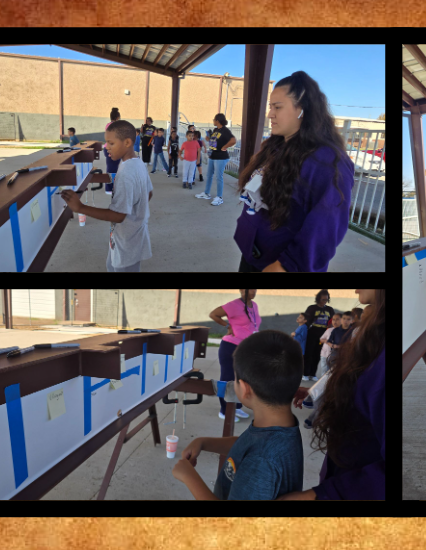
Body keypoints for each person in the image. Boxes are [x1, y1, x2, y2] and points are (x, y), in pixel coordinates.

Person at [233, 71, 354, 272]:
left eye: (277, 107)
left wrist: (287, 266)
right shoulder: (276, 146)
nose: (270, 114)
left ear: (302, 109)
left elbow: (325, 228)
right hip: (253, 255)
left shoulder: (328, 162)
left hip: (277, 266)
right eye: (270, 107)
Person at [278, 288, 384, 500]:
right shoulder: (371, 332)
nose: (356, 289)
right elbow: (356, 381)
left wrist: (321, 495)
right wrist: (318, 391)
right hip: (343, 469)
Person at [174, 330, 304, 500]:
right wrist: (203, 442)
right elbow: (245, 446)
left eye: (234, 380)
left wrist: (189, 477)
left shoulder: (261, 461)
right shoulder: (278, 426)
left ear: (244, 389)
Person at [61, 120, 152, 272]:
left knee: (120, 269)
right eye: (106, 142)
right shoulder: (137, 163)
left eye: (111, 143)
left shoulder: (126, 173)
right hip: (129, 235)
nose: (106, 147)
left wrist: (80, 207)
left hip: (127, 241)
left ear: (127, 142)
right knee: (111, 265)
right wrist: (135, 211)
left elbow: (118, 216)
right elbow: (148, 193)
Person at [209, 289, 260, 422]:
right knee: (227, 380)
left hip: (246, 348)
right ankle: (224, 410)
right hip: (231, 347)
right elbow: (213, 314)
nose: (254, 291)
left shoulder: (254, 305)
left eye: (255, 289)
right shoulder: (234, 305)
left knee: (241, 380)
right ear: (242, 290)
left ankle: (236, 407)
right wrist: (228, 325)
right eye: (251, 289)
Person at [196, 113, 238, 205]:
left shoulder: (225, 130)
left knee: (219, 177)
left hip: (221, 157)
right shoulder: (215, 130)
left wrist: (224, 146)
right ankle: (206, 193)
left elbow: (233, 140)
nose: (213, 121)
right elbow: (214, 141)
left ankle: (219, 197)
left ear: (217, 121)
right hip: (213, 156)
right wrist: (208, 138)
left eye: (214, 120)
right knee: (209, 175)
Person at [302, 289, 335, 380]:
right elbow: (306, 322)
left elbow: (333, 322)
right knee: (309, 353)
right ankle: (305, 373)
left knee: (317, 354)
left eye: (326, 300)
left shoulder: (330, 309)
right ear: (318, 299)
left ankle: (313, 374)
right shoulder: (312, 308)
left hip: (323, 335)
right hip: (312, 333)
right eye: (323, 299)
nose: (324, 302)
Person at [315, 312, 341, 379]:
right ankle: (323, 383)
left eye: (337, 319)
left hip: (335, 356)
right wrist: (327, 341)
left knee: (333, 372)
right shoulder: (329, 330)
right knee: (324, 372)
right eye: (333, 319)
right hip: (324, 354)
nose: (335, 321)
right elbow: (321, 339)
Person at [104, 108, 122, 194]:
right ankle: (109, 189)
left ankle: (112, 187)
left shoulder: (108, 125)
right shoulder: (116, 126)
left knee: (113, 169)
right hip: (112, 149)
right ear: (117, 117)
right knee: (112, 169)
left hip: (109, 148)